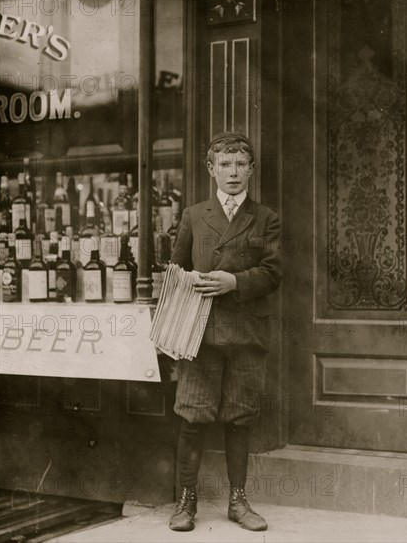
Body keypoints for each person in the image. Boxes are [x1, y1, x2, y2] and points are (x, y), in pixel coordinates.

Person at [169, 132, 282, 532]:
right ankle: (186, 501)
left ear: (250, 169)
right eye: (225, 164)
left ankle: (238, 500)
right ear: (211, 169)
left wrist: (234, 282)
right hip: (199, 335)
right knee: (193, 417)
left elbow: (274, 272)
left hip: (247, 334)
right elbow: (176, 271)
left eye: (240, 164)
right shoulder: (193, 215)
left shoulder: (266, 218)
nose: (232, 172)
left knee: (240, 418)